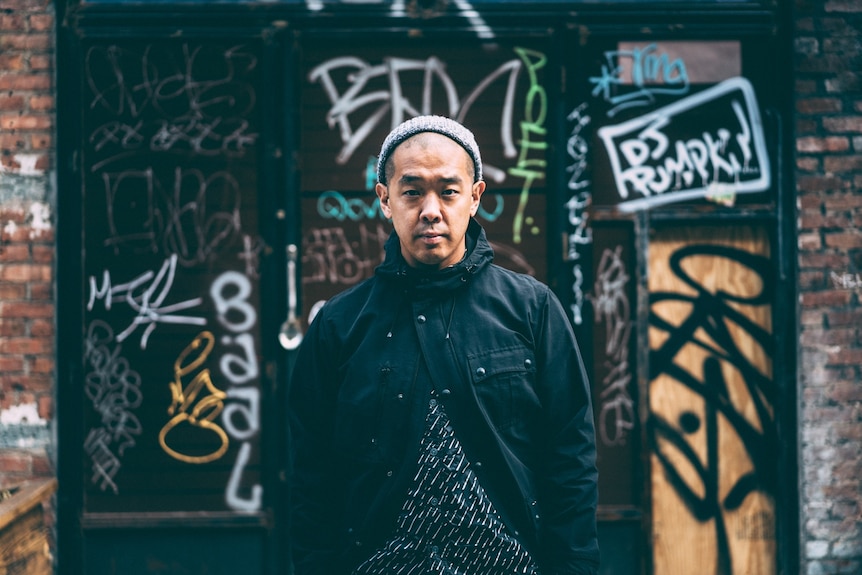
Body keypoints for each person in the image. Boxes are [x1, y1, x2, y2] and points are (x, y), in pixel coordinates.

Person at [288, 115, 599, 575]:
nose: (430, 210)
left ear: (475, 198)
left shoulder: (532, 310)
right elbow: (310, 478)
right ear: (385, 200)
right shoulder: (339, 324)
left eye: (448, 191)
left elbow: (570, 460)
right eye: (412, 191)